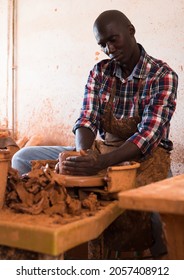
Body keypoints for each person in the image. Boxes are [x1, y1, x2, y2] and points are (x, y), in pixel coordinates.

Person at [12, 10, 178, 258]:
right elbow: (87, 119)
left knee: (156, 215)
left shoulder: (162, 75)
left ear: (131, 31)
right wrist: (83, 154)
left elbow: (148, 135)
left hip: (147, 159)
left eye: (113, 40)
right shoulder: (100, 72)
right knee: (23, 158)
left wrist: (100, 163)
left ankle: (161, 264)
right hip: (103, 152)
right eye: (102, 44)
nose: (109, 49)